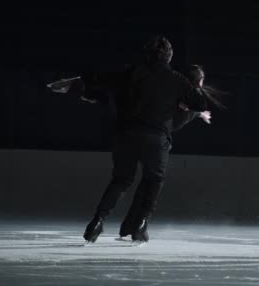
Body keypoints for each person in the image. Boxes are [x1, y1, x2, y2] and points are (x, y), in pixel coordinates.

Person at [50, 35, 209, 244]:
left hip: (127, 136)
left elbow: (98, 78)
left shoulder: (131, 73)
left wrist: (73, 81)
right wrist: (185, 102)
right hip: (156, 139)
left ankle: (97, 221)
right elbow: (200, 102)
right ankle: (140, 226)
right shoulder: (176, 79)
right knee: (154, 180)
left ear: (146, 55)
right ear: (169, 57)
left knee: (121, 180)